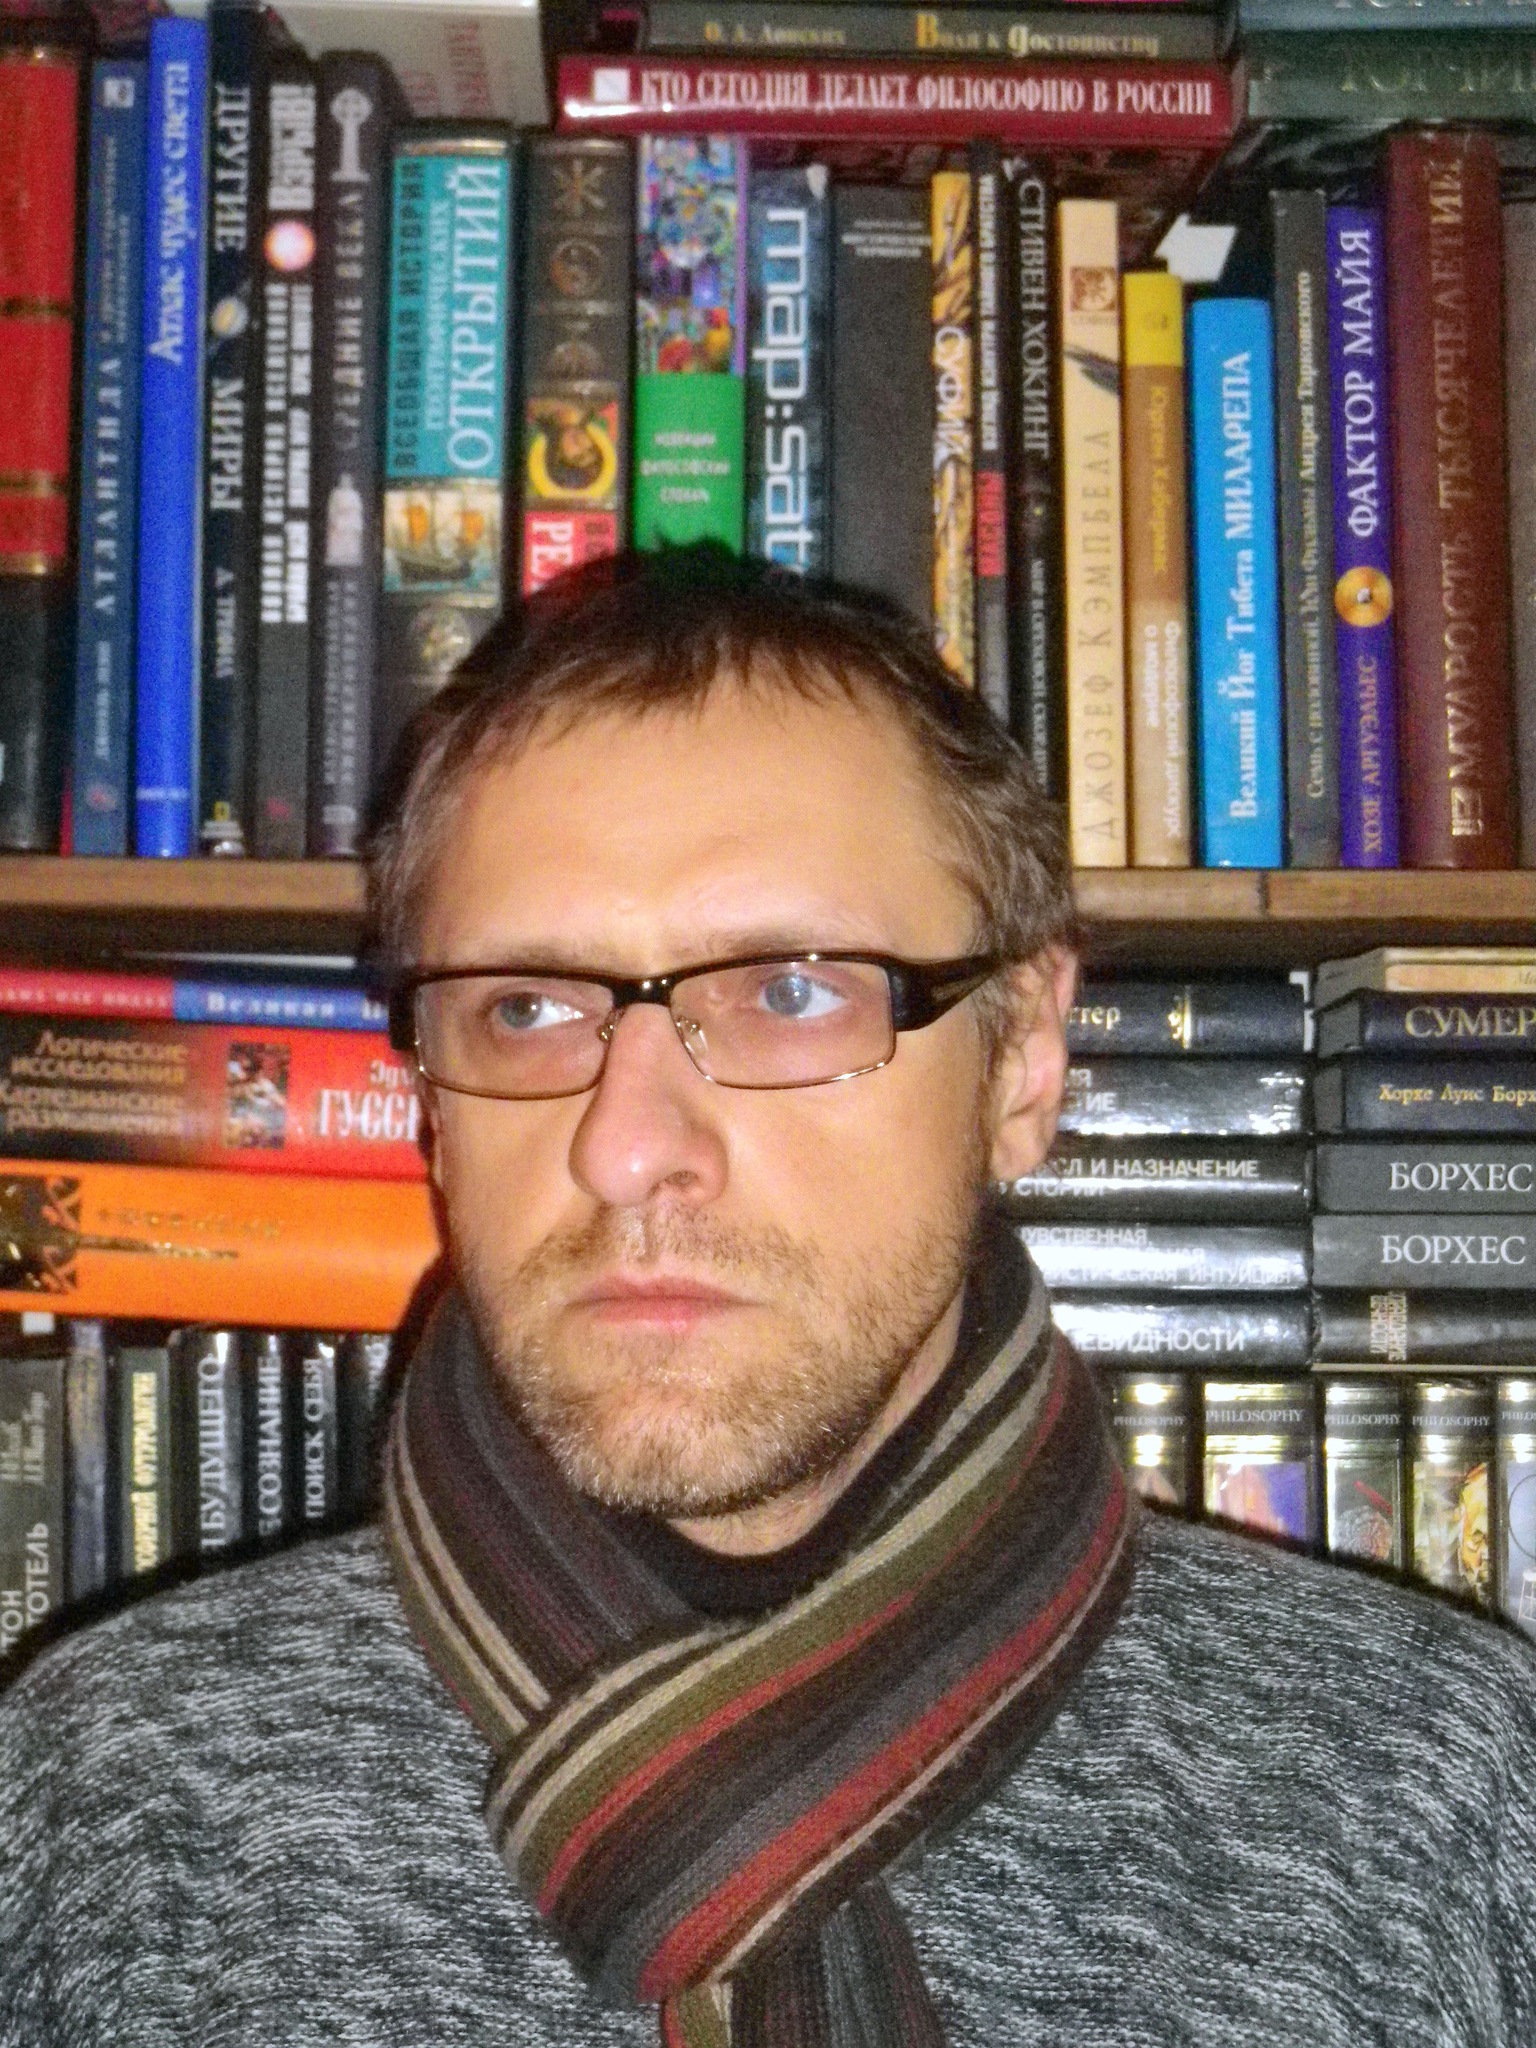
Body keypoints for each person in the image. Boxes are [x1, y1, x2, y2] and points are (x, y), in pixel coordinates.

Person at [2, 556, 1535, 2048]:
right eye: (525, 1008)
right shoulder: (117, 1792)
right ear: (427, 1099)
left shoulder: (1425, 1787)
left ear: (1023, 1062)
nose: (626, 1149)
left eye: (792, 991)